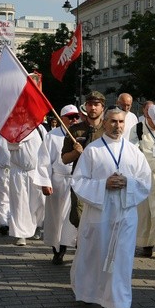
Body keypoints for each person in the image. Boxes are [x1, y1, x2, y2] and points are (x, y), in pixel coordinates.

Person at [70, 107, 151, 308]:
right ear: (105, 123)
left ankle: (120, 304)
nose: (117, 126)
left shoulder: (134, 152)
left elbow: (145, 182)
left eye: (121, 122)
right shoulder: (92, 150)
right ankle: (88, 292)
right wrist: (102, 185)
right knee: (94, 253)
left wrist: (128, 183)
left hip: (125, 213)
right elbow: (78, 181)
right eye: (113, 121)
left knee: (122, 258)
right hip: (99, 211)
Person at [34, 104, 79, 265]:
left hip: (77, 181)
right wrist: (45, 182)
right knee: (57, 218)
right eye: (71, 117)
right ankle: (58, 249)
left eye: (76, 117)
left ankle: (74, 245)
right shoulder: (52, 136)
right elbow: (43, 161)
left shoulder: (81, 136)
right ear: (61, 118)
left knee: (75, 217)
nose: (74, 120)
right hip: (58, 182)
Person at [61, 91, 106, 227]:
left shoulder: (108, 129)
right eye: (90, 104)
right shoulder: (75, 130)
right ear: (85, 106)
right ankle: (82, 243)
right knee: (78, 216)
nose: (93, 108)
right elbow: (65, 159)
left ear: (102, 107)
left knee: (100, 216)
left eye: (96, 105)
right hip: (81, 179)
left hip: (101, 180)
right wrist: (76, 152)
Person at [132, 103, 155, 260]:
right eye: (153, 120)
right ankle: (146, 245)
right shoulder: (138, 129)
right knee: (145, 213)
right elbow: (132, 150)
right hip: (146, 177)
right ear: (147, 116)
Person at [3, 125, 43, 246]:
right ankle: (21, 234)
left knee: (40, 201)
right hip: (18, 171)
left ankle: (37, 225)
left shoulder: (40, 129)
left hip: (36, 171)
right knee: (20, 203)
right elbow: (11, 144)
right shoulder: (14, 128)